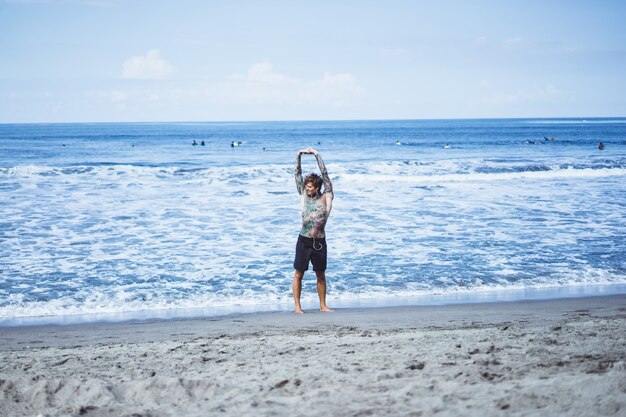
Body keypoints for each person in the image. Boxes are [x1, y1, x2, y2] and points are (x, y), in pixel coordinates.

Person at [292, 148, 334, 314]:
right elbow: (297, 174)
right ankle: (297, 307)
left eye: (310, 187)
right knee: (298, 274)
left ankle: (323, 305)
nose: (307, 188)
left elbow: (325, 175)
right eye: (306, 186)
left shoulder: (326, 197)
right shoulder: (303, 195)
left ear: (316, 187)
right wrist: (298, 156)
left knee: (321, 274)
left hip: (319, 242)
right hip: (304, 240)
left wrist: (317, 155)